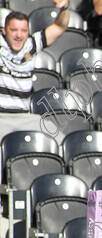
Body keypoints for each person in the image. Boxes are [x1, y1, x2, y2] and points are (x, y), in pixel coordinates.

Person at [0, 2, 69, 141]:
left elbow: (60, 26)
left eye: (23, 31)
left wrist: (64, 8)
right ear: (4, 31)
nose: (19, 35)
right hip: (1, 117)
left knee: (59, 139)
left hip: (25, 117)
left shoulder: (31, 45)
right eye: (14, 30)